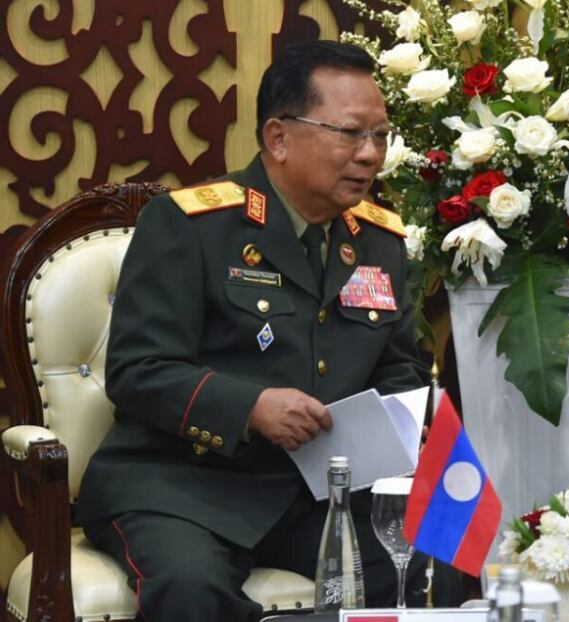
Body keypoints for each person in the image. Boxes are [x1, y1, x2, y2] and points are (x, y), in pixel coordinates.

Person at [76, 40, 461, 620]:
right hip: (183, 488)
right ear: (279, 137)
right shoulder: (190, 225)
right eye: (350, 133)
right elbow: (138, 372)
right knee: (190, 588)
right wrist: (251, 407)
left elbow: (400, 365)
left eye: (380, 135)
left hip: (317, 495)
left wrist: (401, 425)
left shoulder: (379, 241)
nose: (370, 155)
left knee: (440, 557)